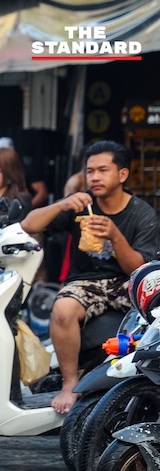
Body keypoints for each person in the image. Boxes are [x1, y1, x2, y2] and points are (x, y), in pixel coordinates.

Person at [21, 141, 160, 414]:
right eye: (90, 171)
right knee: (62, 309)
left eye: (103, 170)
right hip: (85, 283)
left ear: (122, 174)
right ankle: (70, 383)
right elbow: (28, 225)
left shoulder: (142, 213)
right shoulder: (81, 204)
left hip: (127, 282)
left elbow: (139, 268)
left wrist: (114, 235)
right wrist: (62, 204)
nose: (94, 177)